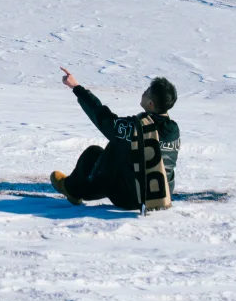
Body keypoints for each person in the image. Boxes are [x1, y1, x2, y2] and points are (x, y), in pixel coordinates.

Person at [50, 66, 180, 210]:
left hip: (129, 199)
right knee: (126, 148)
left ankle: (71, 189)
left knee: (95, 153)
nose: (143, 93)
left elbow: (103, 117)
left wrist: (76, 87)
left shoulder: (135, 127)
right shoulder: (174, 130)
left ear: (151, 103)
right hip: (161, 198)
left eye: (146, 92)